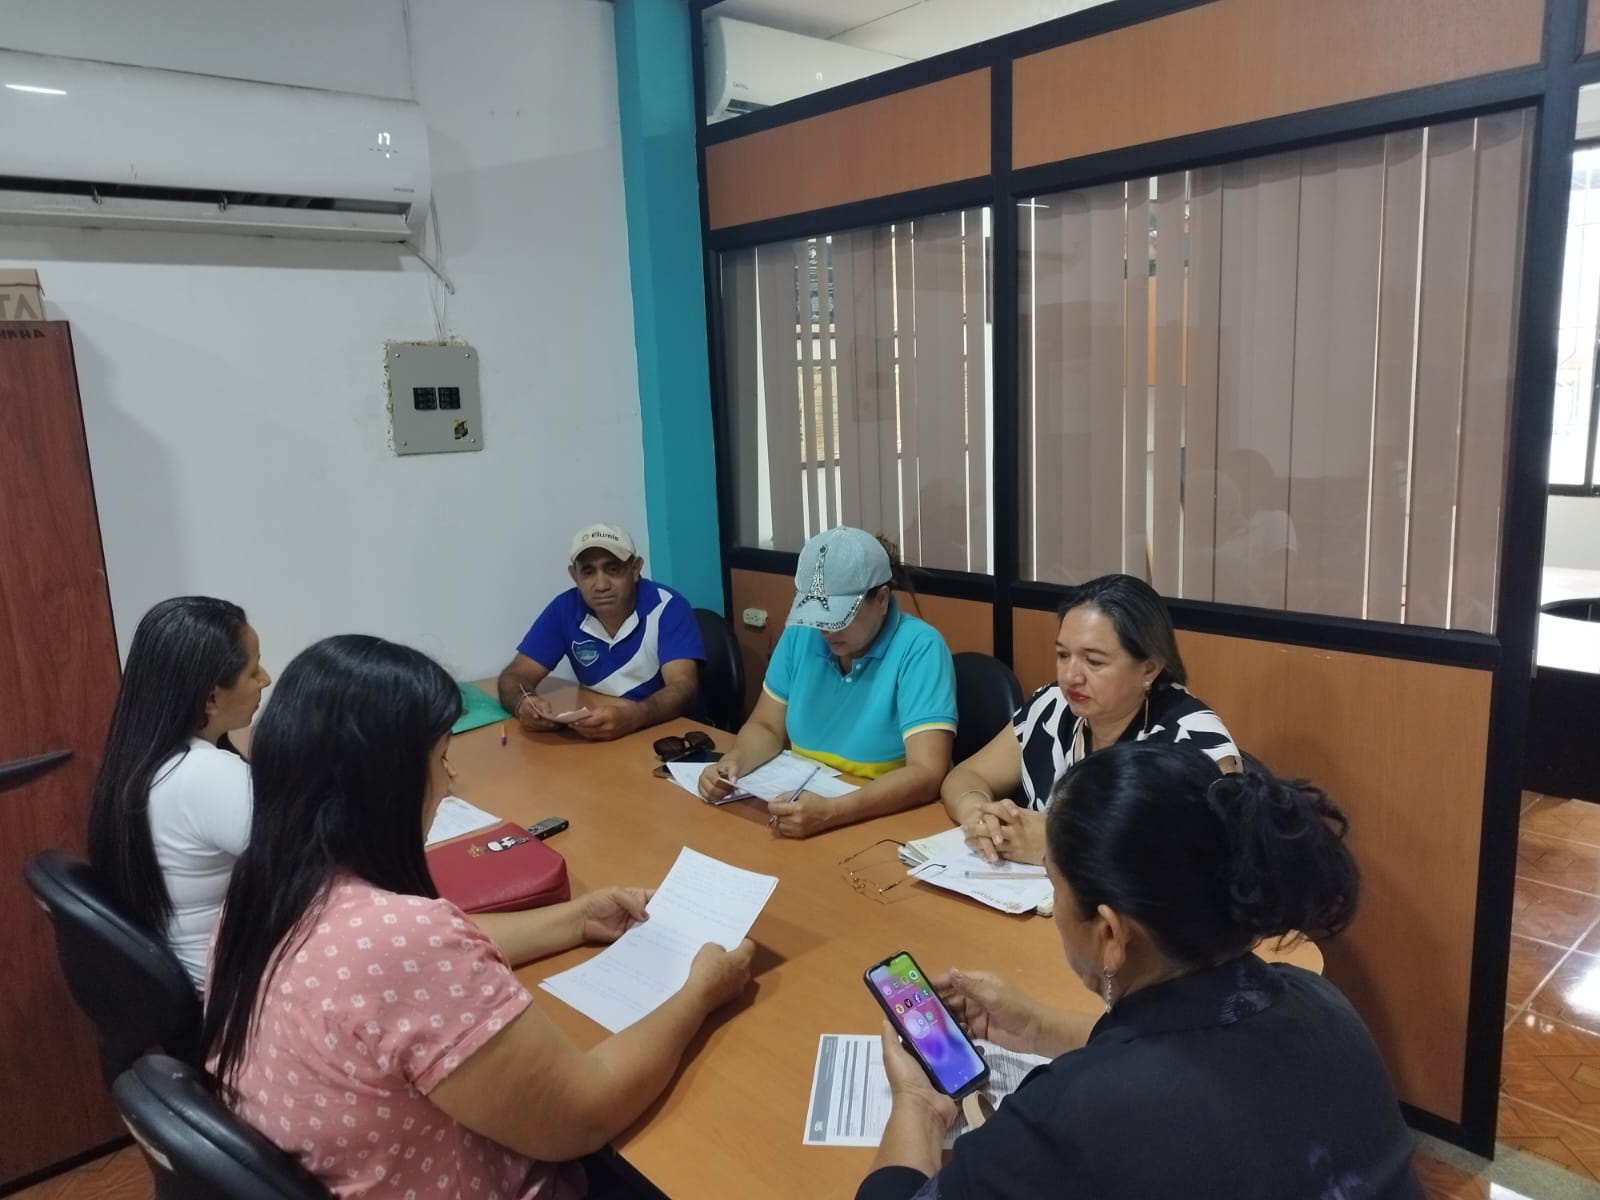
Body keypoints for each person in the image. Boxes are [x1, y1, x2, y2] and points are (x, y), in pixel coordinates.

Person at [204, 634, 753, 1199]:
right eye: (441, 758)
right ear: (386, 782)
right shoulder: (404, 943)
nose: (449, 781)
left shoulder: (260, 893)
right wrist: (700, 993)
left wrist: (577, 919)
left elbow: (405, 967)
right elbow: (585, 1112)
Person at [859, 741, 1423, 1200]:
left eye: (1054, 885)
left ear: (1110, 933)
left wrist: (918, 1104)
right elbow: (1183, 1046)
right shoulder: (1320, 1001)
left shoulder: (1071, 1116)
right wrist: (1036, 1026)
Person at [940, 573, 1237, 864]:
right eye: (1063, 655)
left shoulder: (1194, 740)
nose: (1071, 677)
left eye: (1093, 661)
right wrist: (979, 816)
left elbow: (1210, 858)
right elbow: (967, 776)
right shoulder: (1053, 706)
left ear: (1149, 669)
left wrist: (1060, 845)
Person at [698, 526, 956, 838]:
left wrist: (833, 812)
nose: (826, 629)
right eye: (817, 614)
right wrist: (734, 763)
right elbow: (766, 726)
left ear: (882, 599)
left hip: (882, 820)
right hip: (805, 805)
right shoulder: (801, 634)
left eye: (840, 616)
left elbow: (926, 772)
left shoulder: (920, 648)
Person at [86, 596, 270, 990]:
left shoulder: (141, 762)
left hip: (186, 977)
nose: (266, 680)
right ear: (211, 698)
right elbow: (311, 865)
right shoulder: (206, 775)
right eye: (253, 671)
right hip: (230, 992)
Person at [497, 522, 704, 742]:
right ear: (574, 576)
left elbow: (683, 687)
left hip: (671, 735)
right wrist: (523, 702)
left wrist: (634, 716)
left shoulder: (667, 607)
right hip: (603, 736)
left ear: (635, 569)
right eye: (588, 572)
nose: (601, 585)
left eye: (613, 569)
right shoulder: (564, 609)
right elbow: (515, 675)